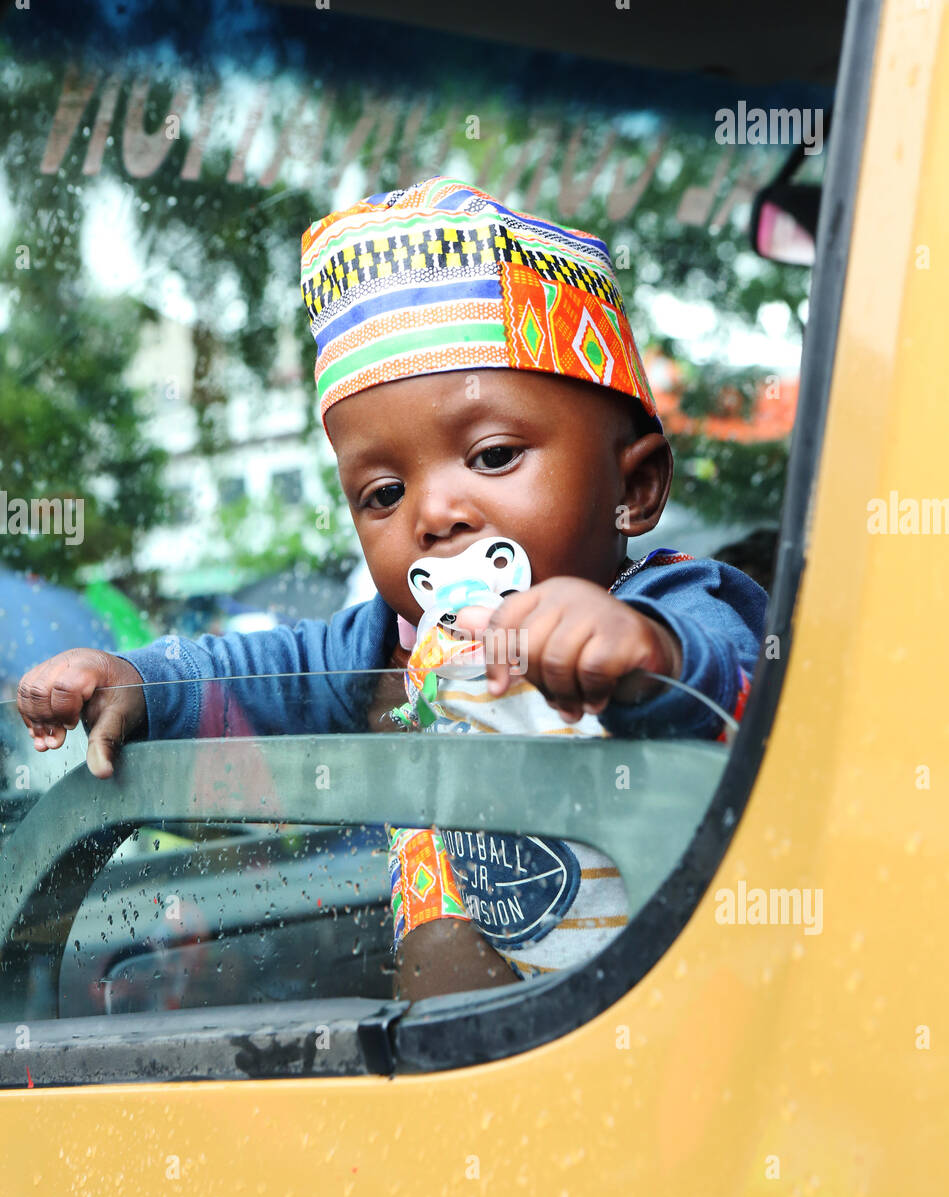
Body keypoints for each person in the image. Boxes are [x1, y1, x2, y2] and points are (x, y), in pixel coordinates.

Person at [16, 176, 766, 998]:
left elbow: (725, 678)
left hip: (672, 1010)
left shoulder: (678, 602)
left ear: (637, 487)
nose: (434, 514)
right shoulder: (393, 642)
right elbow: (264, 677)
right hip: (465, 1056)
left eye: (492, 456)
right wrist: (140, 683)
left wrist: (637, 655)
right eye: (383, 494)